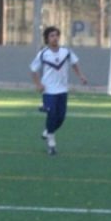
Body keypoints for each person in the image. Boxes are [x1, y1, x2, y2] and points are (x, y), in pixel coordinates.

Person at [30, 26, 88, 155]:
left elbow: (74, 64)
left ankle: (48, 131)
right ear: (47, 38)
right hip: (49, 90)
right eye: (52, 36)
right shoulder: (43, 53)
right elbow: (33, 70)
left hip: (62, 89)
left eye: (56, 35)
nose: (55, 38)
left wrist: (81, 76)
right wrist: (38, 84)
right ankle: (51, 144)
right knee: (52, 114)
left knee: (61, 117)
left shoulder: (66, 51)